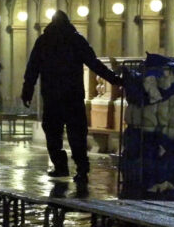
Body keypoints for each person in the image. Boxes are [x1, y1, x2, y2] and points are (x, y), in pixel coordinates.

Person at [21, 10, 123, 184]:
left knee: (53, 134)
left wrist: (27, 90)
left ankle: (60, 167)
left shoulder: (44, 41)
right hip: (73, 95)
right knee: (77, 134)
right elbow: (94, 63)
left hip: (52, 95)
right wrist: (114, 79)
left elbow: (32, 68)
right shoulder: (76, 40)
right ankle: (82, 169)